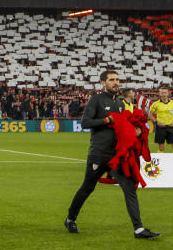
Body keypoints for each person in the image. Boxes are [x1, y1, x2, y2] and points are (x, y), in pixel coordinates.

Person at [64, 69, 160, 239]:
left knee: (129, 187)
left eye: (117, 79)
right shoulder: (96, 99)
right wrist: (106, 120)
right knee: (87, 187)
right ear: (103, 83)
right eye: (111, 80)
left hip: (117, 155)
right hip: (99, 153)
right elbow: (85, 122)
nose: (116, 82)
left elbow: (122, 127)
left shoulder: (121, 103)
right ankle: (70, 218)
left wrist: (135, 130)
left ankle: (138, 229)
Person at [148, 87, 173, 153]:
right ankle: (160, 163)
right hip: (160, 128)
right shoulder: (156, 104)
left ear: (168, 93)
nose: (164, 94)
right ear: (159, 94)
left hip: (170, 127)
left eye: (165, 92)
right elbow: (150, 115)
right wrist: (156, 121)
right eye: (162, 93)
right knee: (161, 148)